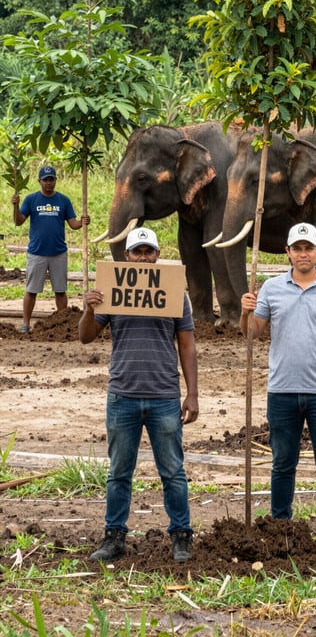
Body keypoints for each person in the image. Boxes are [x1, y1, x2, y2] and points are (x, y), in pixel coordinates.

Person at [79, 227, 199, 564]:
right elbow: (86, 337)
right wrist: (88, 309)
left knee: (173, 471)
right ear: (127, 257)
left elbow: (187, 345)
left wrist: (192, 394)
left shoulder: (175, 292)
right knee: (119, 472)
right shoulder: (113, 291)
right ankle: (114, 536)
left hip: (163, 396)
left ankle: (181, 537)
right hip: (123, 395)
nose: (143, 258)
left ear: (157, 255)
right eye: (137, 252)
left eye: (149, 252)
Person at [240, 222, 316, 559]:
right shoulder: (271, 289)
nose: (303, 253)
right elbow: (253, 333)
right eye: (297, 248)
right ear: (288, 252)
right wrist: (245, 311)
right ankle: (281, 529)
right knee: (282, 463)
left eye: (309, 247)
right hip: (282, 390)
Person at [11, 165, 89, 333]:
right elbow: (18, 221)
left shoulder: (63, 200)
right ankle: (25, 324)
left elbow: (73, 223)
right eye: (45, 180)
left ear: (55, 180)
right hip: (36, 253)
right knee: (31, 290)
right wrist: (15, 206)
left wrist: (82, 222)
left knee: (60, 291)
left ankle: (62, 324)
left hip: (58, 253)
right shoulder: (31, 200)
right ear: (39, 181)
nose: (48, 183)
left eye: (51, 179)